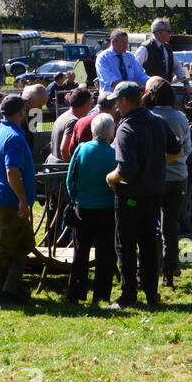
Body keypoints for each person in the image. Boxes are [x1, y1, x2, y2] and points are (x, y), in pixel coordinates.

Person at [107, 81, 176, 306]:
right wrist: (155, 165)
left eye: (117, 101)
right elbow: (176, 151)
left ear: (126, 101)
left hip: (131, 195)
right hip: (154, 193)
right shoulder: (159, 122)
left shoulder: (126, 128)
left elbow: (126, 169)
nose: (116, 106)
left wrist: (111, 178)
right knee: (148, 244)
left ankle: (128, 296)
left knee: (125, 246)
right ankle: (151, 293)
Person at [0, 94, 36, 307]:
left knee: (25, 243)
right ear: (22, 112)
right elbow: (12, 172)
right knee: (5, 249)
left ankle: (11, 286)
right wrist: (22, 201)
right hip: (9, 201)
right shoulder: (14, 137)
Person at [65, 112, 118, 304]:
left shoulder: (81, 149)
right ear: (111, 132)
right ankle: (102, 294)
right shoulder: (114, 154)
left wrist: (74, 198)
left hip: (83, 207)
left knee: (81, 251)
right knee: (106, 253)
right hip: (107, 209)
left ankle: (76, 292)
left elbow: (71, 178)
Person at [150, 78, 192, 287]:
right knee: (170, 227)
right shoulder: (181, 118)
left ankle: (150, 269)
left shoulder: (150, 117)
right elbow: (187, 150)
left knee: (150, 226)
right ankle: (169, 271)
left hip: (154, 179)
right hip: (178, 178)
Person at [65, 91, 116, 159]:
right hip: (106, 167)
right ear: (113, 107)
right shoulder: (111, 124)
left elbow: (72, 150)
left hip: (83, 165)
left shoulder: (80, 122)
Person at [135, 18, 186, 84]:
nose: (170, 34)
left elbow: (177, 67)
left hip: (165, 88)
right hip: (150, 90)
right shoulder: (145, 49)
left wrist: (186, 83)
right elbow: (135, 69)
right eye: (169, 31)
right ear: (159, 32)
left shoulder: (167, 48)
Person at [49, 88, 92, 164]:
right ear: (85, 105)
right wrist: (71, 169)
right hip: (60, 169)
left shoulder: (62, 116)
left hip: (53, 163)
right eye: (90, 104)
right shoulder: (73, 122)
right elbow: (64, 150)